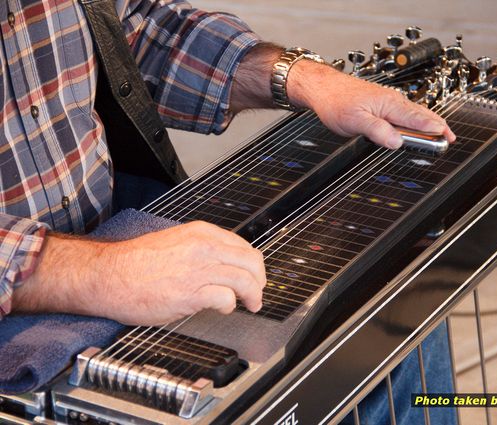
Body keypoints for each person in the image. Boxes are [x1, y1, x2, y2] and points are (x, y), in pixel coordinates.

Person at [1, 0, 454, 324]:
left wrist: (300, 77)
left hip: (107, 221)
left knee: (390, 292)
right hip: (27, 299)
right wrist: (99, 273)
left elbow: (134, 29)